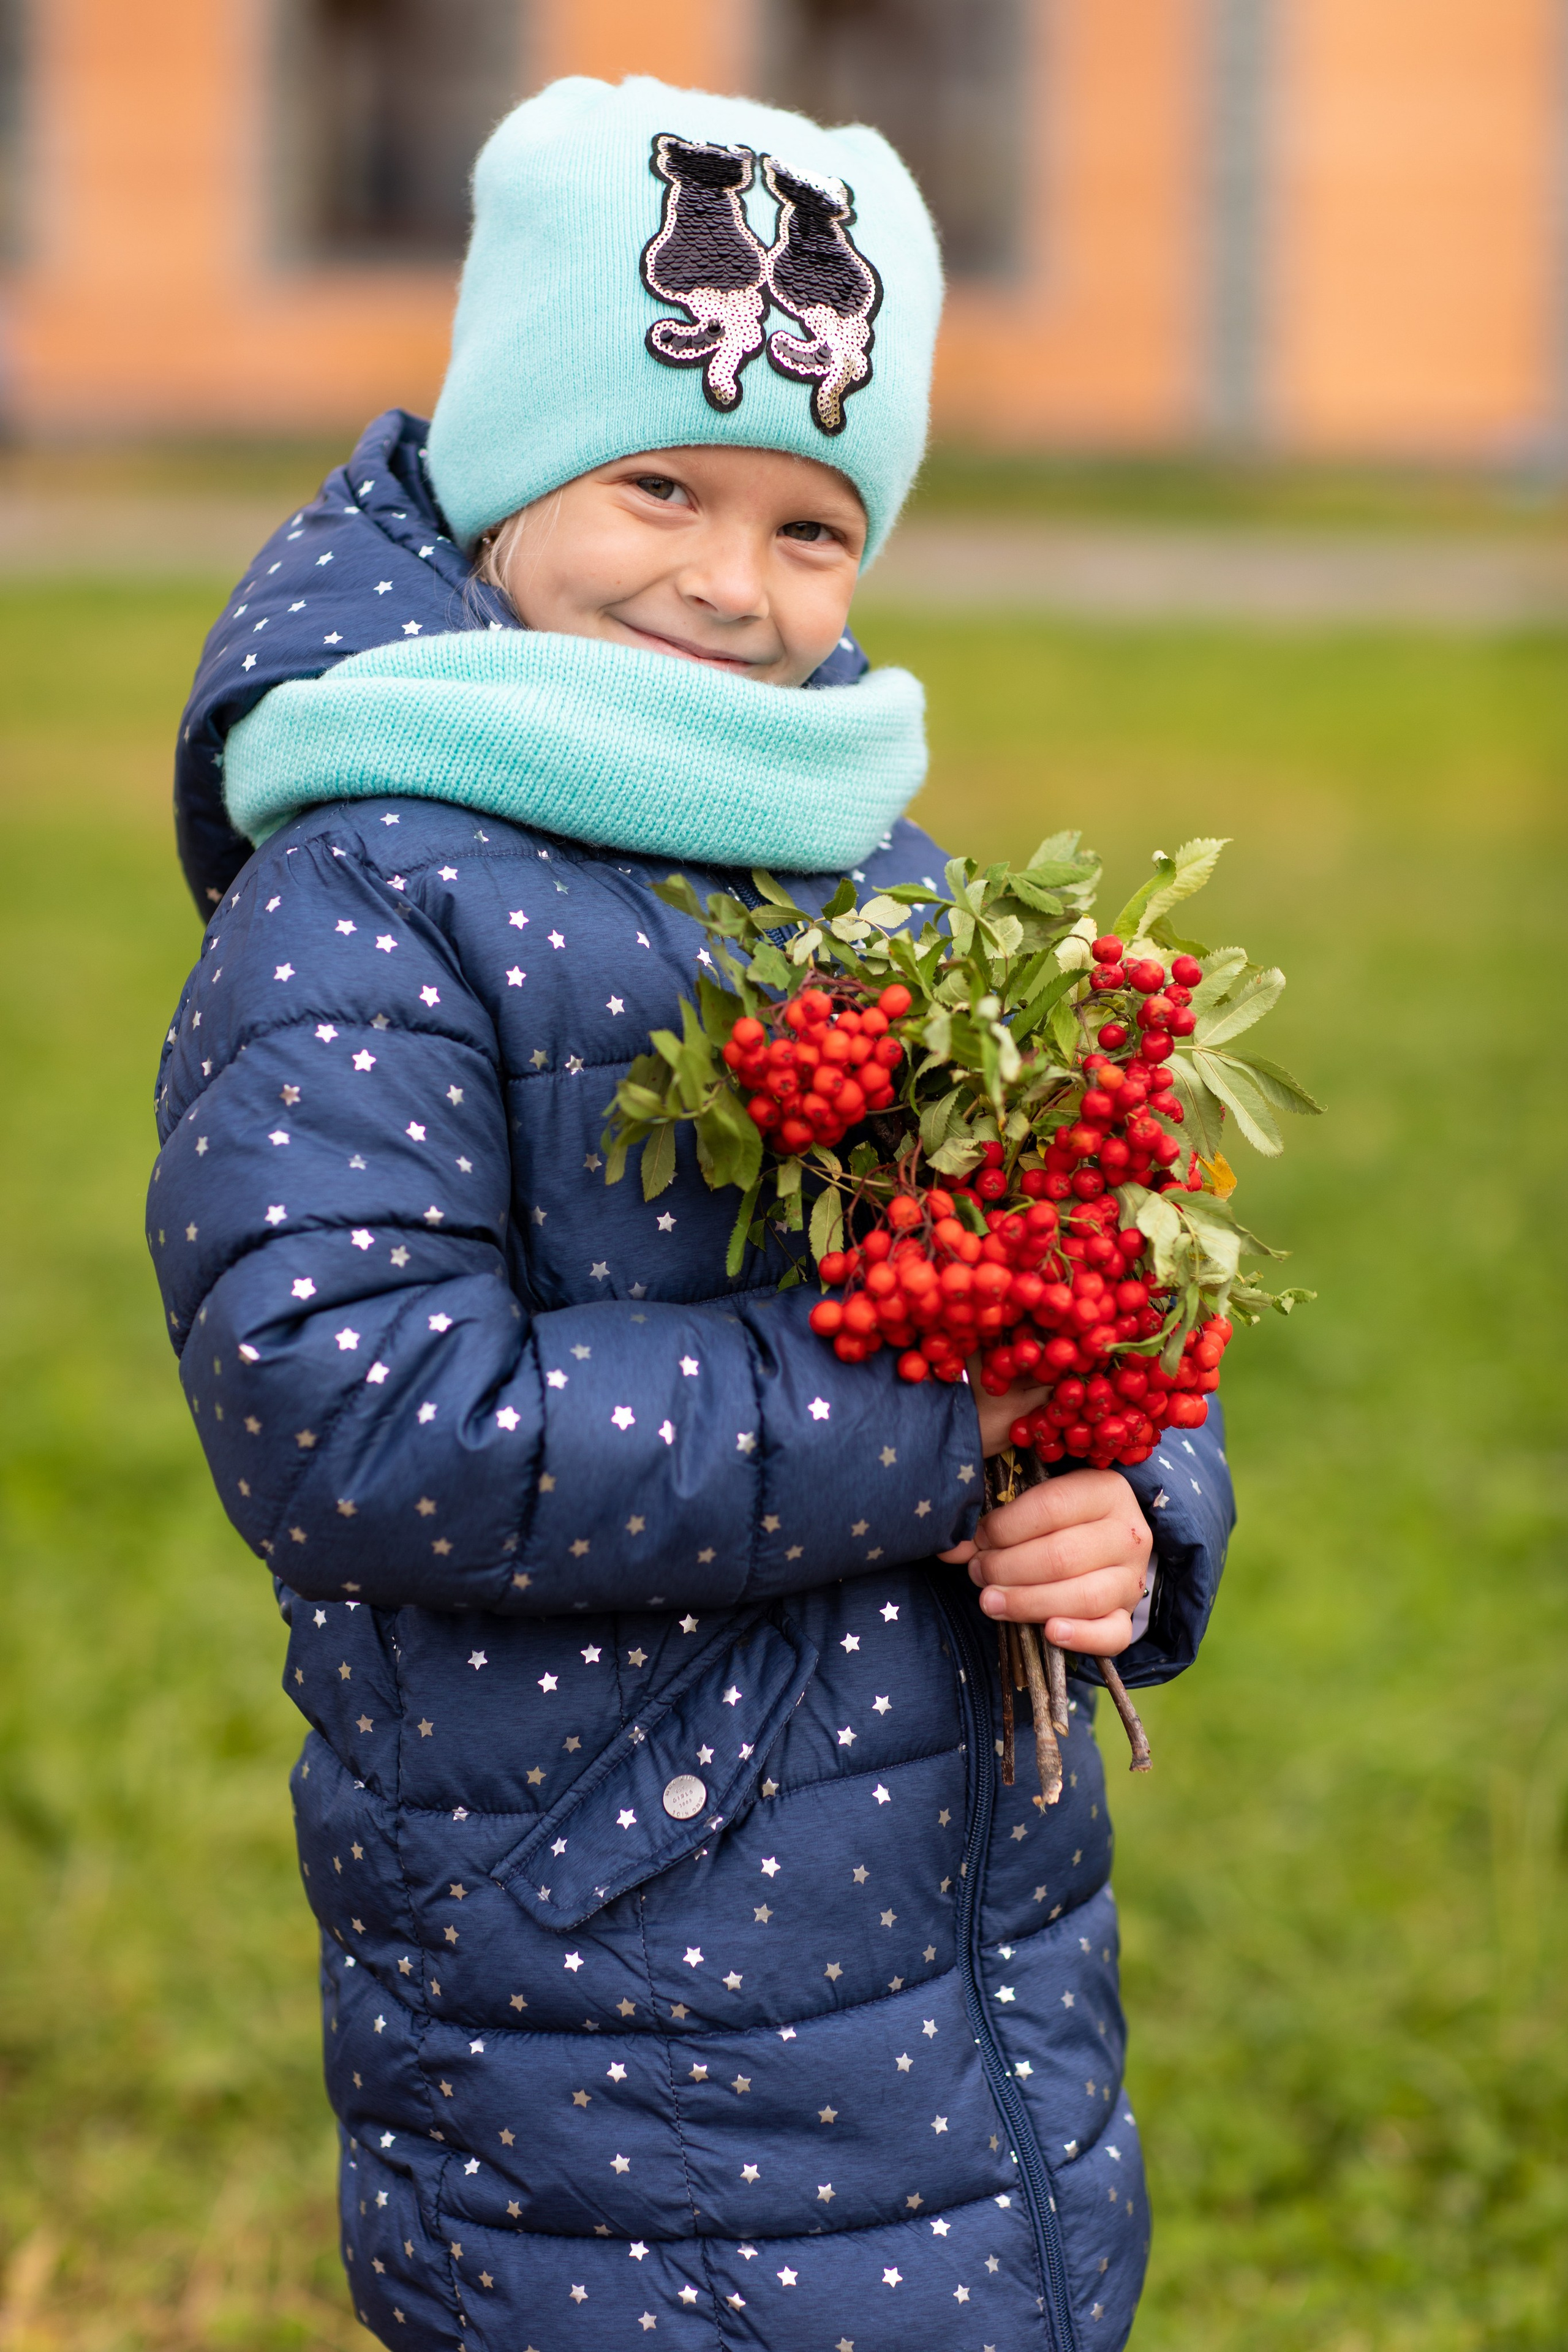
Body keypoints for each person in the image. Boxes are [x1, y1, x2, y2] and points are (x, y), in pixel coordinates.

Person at [150, 74, 1233, 2351]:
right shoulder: (371, 883)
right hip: (597, 2005)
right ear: (509, 468)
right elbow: (351, 1408)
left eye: (814, 527)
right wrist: (941, 1436)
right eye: (660, 483)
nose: (732, 588)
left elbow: (1078, 1300)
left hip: (973, 1980)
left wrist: (1129, 1500)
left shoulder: (885, 873)